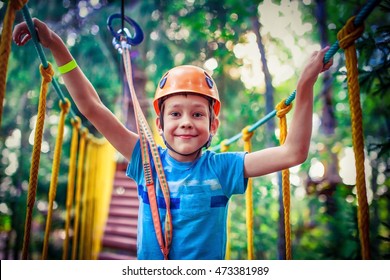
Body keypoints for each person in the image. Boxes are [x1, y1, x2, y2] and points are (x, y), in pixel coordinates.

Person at [13, 18, 333, 260]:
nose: (186, 123)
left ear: (214, 124)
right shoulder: (144, 160)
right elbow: (92, 108)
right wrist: (55, 43)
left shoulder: (223, 169)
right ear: (159, 123)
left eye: (197, 114)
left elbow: (293, 153)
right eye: (175, 114)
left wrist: (305, 85)